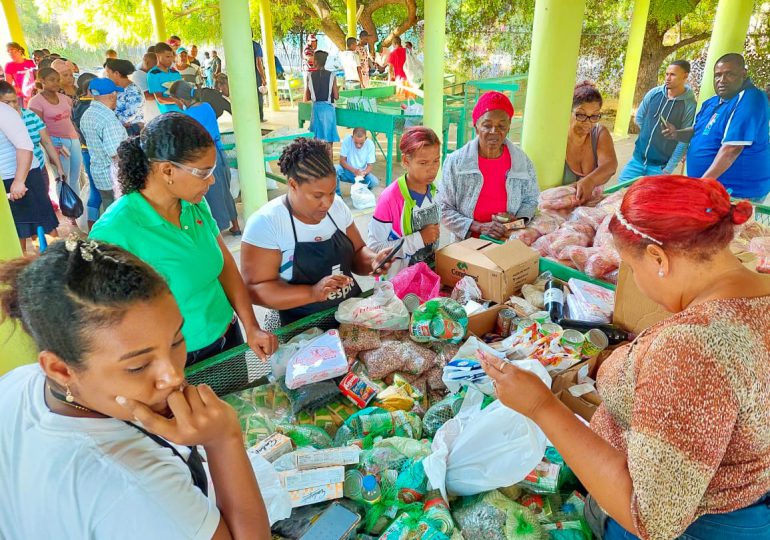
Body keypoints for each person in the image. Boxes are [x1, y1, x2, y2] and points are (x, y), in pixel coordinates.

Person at [482, 175, 770, 540]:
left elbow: (651, 519)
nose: (634, 279)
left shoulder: (690, 351)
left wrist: (541, 406)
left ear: (658, 258)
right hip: (749, 496)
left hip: (701, 525)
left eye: (631, 269)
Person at [0, 239, 271, 539]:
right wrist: (224, 439)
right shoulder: (132, 482)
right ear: (60, 369)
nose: (172, 377)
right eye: (138, 366)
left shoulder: (17, 383)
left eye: (176, 340)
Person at [90, 113, 277, 366]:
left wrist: (251, 326)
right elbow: (109, 323)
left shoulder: (194, 205)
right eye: (203, 172)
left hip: (226, 339)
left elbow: (225, 268)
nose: (211, 180)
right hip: (174, 361)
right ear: (167, 170)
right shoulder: (114, 232)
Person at [241, 137, 394, 326]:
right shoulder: (266, 223)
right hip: (302, 328)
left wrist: (373, 261)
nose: (327, 203)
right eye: (317, 196)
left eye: (331, 192)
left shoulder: (337, 207)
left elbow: (357, 252)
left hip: (351, 315)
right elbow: (255, 289)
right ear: (293, 185)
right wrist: (312, 293)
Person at [664, 53, 770, 202]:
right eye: (718, 75)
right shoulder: (712, 102)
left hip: (736, 193)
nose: (722, 80)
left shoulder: (751, 98)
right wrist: (676, 133)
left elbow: (732, 149)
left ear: (743, 74)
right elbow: (698, 132)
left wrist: (700, 185)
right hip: (712, 188)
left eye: (729, 74)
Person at [439, 91, 539, 242]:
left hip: (507, 242)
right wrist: (478, 227)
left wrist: (516, 221)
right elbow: (442, 208)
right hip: (466, 245)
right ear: (476, 127)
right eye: (487, 125)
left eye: (501, 125)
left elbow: (531, 200)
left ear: (509, 127)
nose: (494, 131)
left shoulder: (522, 162)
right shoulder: (456, 162)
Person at [168, 80, 239, 235]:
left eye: (175, 101)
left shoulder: (187, 117)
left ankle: (217, 231)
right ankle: (235, 225)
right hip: (219, 153)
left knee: (212, 194)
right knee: (225, 190)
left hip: (204, 157)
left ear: (180, 100)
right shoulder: (207, 107)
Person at [368, 126, 441, 277]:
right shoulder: (389, 199)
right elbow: (375, 249)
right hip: (396, 289)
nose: (432, 169)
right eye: (423, 163)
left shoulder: (434, 192)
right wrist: (419, 239)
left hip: (427, 278)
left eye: (436, 161)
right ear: (406, 161)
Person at [619, 60, 696, 181]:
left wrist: (668, 169)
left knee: (648, 199)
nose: (668, 78)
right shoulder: (654, 93)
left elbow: (684, 140)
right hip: (637, 160)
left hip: (659, 167)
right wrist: (648, 133)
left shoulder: (689, 104)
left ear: (685, 76)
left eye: (673, 75)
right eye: (667, 74)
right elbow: (639, 117)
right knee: (620, 192)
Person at [0, 99, 58, 251]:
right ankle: (16, 270)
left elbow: (25, 146)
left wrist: (19, 181)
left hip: (23, 178)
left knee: (42, 228)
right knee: (14, 232)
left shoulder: (4, 112)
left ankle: (56, 267)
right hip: (4, 181)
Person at [28, 67, 84, 222]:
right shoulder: (36, 102)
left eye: (57, 79)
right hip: (56, 143)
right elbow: (37, 129)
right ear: (41, 81)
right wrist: (51, 148)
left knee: (75, 177)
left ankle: (76, 210)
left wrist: (76, 134)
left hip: (73, 140)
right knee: (62, 178)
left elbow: (71, 118)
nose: (56, 83)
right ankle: (68, 213)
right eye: (52, 80)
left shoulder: (64, 97)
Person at [0, 81, 65, 198]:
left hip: (37, 170)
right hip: (12, 176)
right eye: (6, 102)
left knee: (42, 202)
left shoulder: (30, 116)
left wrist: (59, 167)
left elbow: (47, 142)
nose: (12, 105)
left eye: (14, 101)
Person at [562, 81, 618, 203]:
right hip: (557, 210)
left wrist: (590, 181)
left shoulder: (599, 133)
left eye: (594, 116)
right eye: (581, 115)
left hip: (591, 212)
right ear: (568, 112)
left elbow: (610, 165)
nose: (588, 122)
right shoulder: (558, 139)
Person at [80, 78, 127, 214]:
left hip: (99, 173)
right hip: (114, 177)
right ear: (112, 95)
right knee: (120, 214)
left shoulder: (87, 114)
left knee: (109, 211)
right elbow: (115, 153)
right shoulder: (108, 119)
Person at [72, 73, 101, 229]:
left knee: (94, 190)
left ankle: (92, 228)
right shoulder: (90, 107)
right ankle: (93, 229)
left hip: (86, 150)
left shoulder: (78, 104)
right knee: (97, 192)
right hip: (93, 152)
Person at [305, 50, 339, 152]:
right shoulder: (332, 75)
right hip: (328, 110)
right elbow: (336, 96)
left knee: (316, 140)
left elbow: (307, 97)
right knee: (328, 141)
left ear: (315, 61)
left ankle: (318, 165)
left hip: (316, 110)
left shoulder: (309, 76)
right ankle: (329, 166)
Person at [104, 58, 144, 136]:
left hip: (130, 135)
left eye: (108, 73)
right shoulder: (114, 89)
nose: (106, 76)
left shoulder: (134, 92)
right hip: (116, 130)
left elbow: (126, 118)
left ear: (116, 73)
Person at [335, 127, 378, 195]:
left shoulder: (370, 144)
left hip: (361, 175)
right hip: (347, 171)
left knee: (374, 182)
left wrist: (363, 173)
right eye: (356, 142)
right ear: (352, 137)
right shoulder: (347, 140)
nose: (358, 146)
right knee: (334, 169)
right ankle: (337, 195)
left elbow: (370, 166)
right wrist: (354, 171)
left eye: (361, 143)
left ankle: (362, 192)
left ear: (366, 139)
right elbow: (342, 161)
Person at [146, 42, 182, 114]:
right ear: (158, 56)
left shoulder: (175, 73)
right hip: (168, 115)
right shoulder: (153, 74)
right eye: (167, 57)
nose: (170, 60)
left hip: (184, 112)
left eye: (172, 57)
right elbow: (159, 99)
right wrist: (176, 101)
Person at [130, 52, 160, 122]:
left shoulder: (152, 74)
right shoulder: (138, 76)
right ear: (146, 63)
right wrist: (165, 93)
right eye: (155, 64)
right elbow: (147, 96)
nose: (157, 67)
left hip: (157, 114)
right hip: (149, 116)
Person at [252, 38, 267, 122]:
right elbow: (258, 63)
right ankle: (260, 117)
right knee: (259, 96)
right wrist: (263, 77)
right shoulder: (256, 46)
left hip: (245, 75)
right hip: (256, 75)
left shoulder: (240, 46)